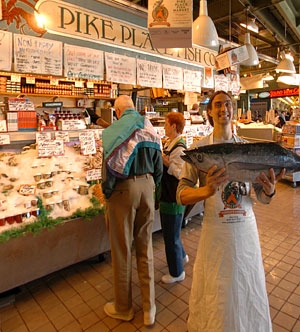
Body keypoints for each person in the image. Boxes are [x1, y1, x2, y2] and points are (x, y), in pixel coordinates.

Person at [177, 90, 285, 332]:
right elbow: (181, 194)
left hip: (246, 230)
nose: (223, 109)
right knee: (217, 287)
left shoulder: (249, 149)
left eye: (227, 104)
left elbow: (262, 197)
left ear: (233, 109)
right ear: (210, 112)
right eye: (217, 105)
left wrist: (269, 190)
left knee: (247, 284)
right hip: (215, 232)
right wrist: (205, 191)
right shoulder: (199, 150)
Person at [101, 95, 163, 325]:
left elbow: (107, 167)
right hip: (148, 186)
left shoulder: (114, 130)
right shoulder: (149, 127)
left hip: (123, 190)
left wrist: (107, 192)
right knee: (145, 247)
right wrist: (153, 192)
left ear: (117, 112)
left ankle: (123, 308)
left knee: (122, 250)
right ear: (132, 108)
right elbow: (158, 166)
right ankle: (149, 308)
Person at [159, 112, 188, 284]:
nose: (164, 126)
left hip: (173, 196)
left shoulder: (180, 148)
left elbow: (181, 173)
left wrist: (166, 162)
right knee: (173, 232)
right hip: (168, 194)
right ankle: (182, 257)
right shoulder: (171, 143)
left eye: (166, 123)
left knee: (170, 235)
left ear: (174, 127)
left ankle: (177, 273)